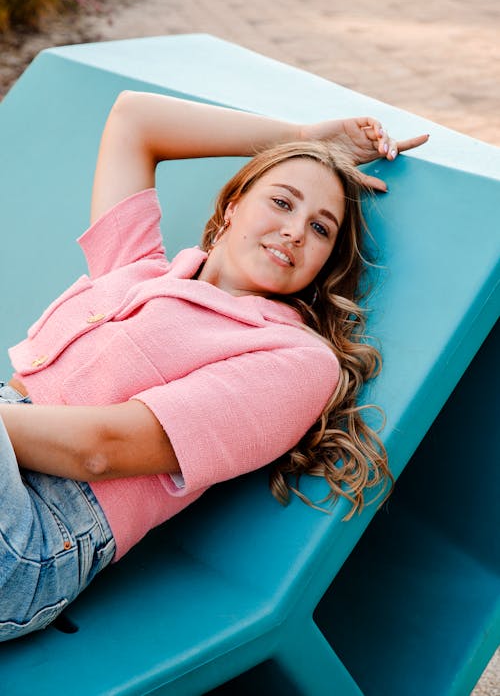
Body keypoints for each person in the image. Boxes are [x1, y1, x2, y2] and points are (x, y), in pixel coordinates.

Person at [0, 92, 428, 640]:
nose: (297, 230)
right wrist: (301, 137)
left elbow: (99, 449)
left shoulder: (294, 360)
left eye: (321, 229)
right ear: (232, 206)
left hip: (32, 536)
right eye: (281, 202)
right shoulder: (139, 270)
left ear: (324, 263)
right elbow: (135, 120)